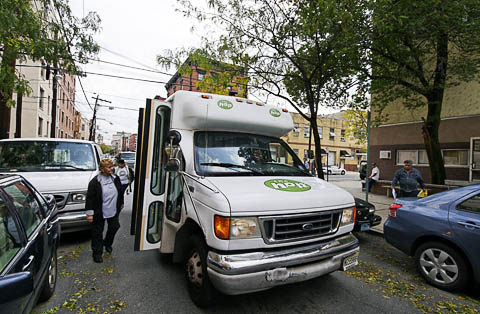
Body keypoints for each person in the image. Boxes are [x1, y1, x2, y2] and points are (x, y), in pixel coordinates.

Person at [86, 158, 124, 263]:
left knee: (114, 226)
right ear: (102, 169)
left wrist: (121, 203)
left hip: (113, 209)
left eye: (112, 167)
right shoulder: (94, 182)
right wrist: (90, 214)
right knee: (97, 232)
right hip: (99, 211)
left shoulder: (115, 178)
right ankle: (97, 253)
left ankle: (107, 243)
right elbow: (90, 199)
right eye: (109, 167)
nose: (111, 169)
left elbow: (120, 192)